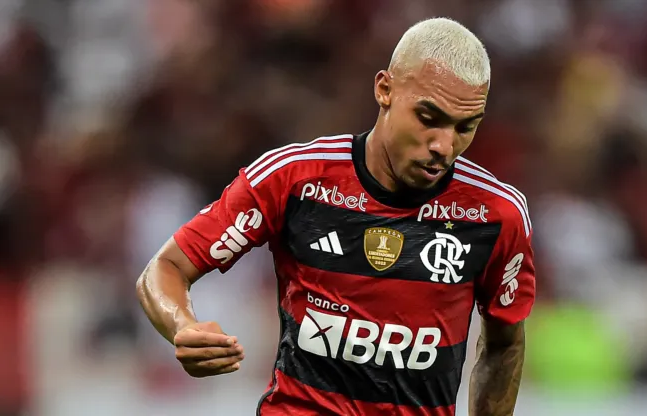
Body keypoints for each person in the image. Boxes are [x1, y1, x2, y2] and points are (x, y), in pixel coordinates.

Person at [137, 17, 535, 416]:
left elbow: (505, 343)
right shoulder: (294, 179)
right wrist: (182, 326)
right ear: (385, 89)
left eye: (465, 127)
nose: (444, 145)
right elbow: (166, 267)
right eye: (428, 118)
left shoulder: (496, 214)